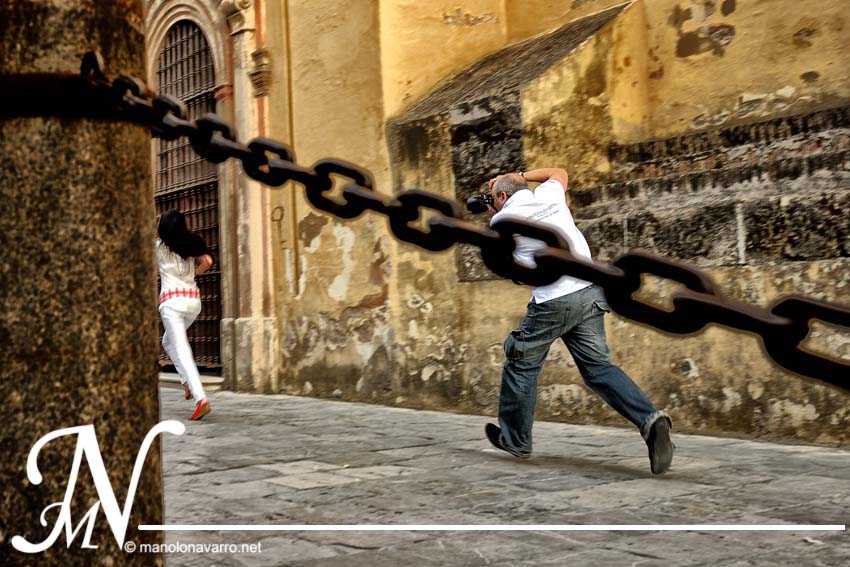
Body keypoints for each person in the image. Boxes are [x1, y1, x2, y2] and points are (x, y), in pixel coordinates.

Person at [483, 168, 674, 474]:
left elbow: (510, 264)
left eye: (494, 197)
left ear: (502, 197)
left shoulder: (501, 220)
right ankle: (651, 420)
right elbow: (559, 171)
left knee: (521, 362)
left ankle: (516, 439)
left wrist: (496, 207)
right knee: (599, 367)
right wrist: (520, 174)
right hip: (590, 291)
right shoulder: (548, 194)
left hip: (553, 301)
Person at [156, 209, 213, 421]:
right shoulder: (191, 243)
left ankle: (201, 398)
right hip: (192, 302)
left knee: (181, 349)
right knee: (167, 341)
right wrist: (193, 274)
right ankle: (186, 382)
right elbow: (208, 262)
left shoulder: (159, 247)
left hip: (172, 305)